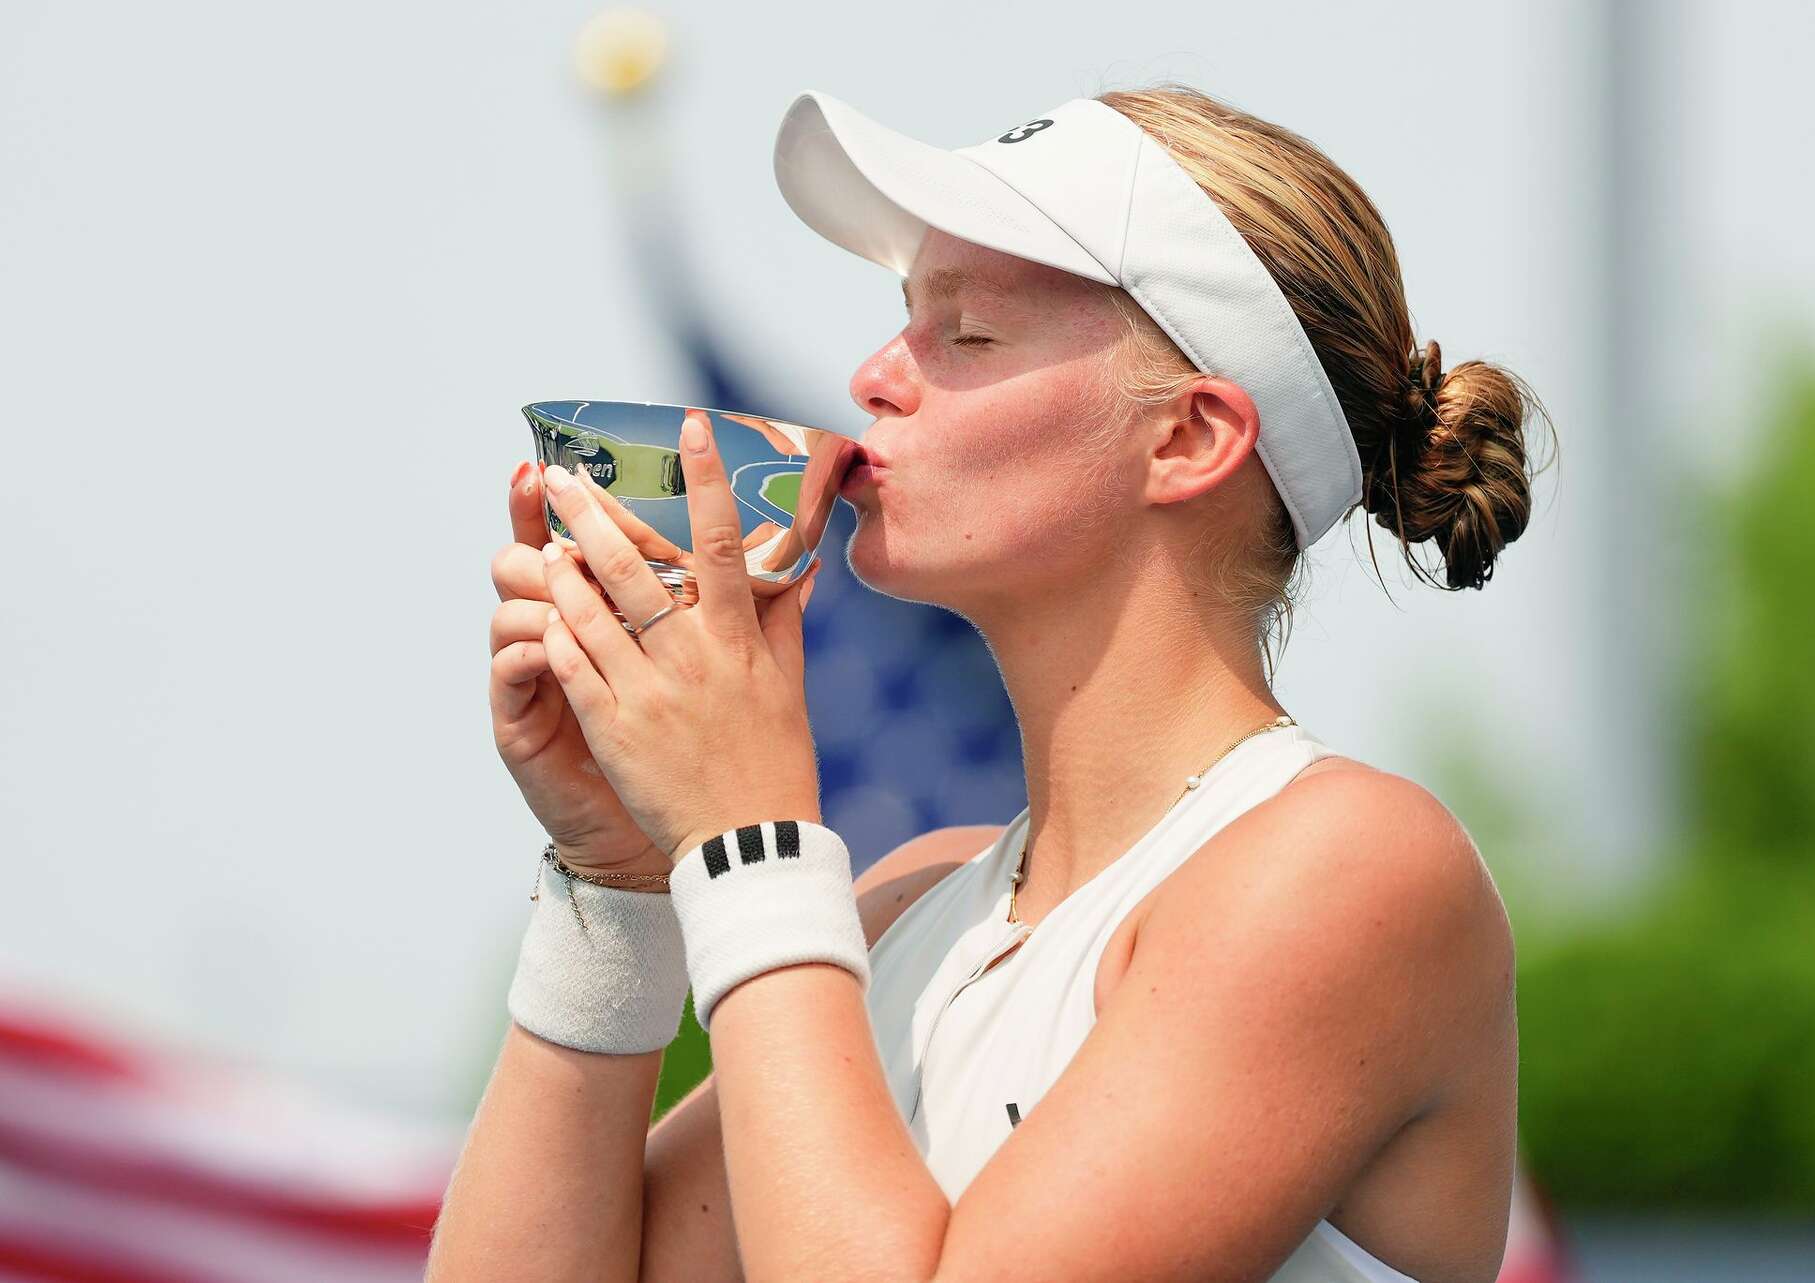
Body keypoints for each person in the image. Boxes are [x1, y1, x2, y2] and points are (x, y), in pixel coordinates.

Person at [433, 82, 1549, 1283]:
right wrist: (622, 883)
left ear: (1188, 439)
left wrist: (746, 837)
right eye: (902, 315)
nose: (870, 375)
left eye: (963, 333)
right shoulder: (910, 909)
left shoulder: (1348, 866)